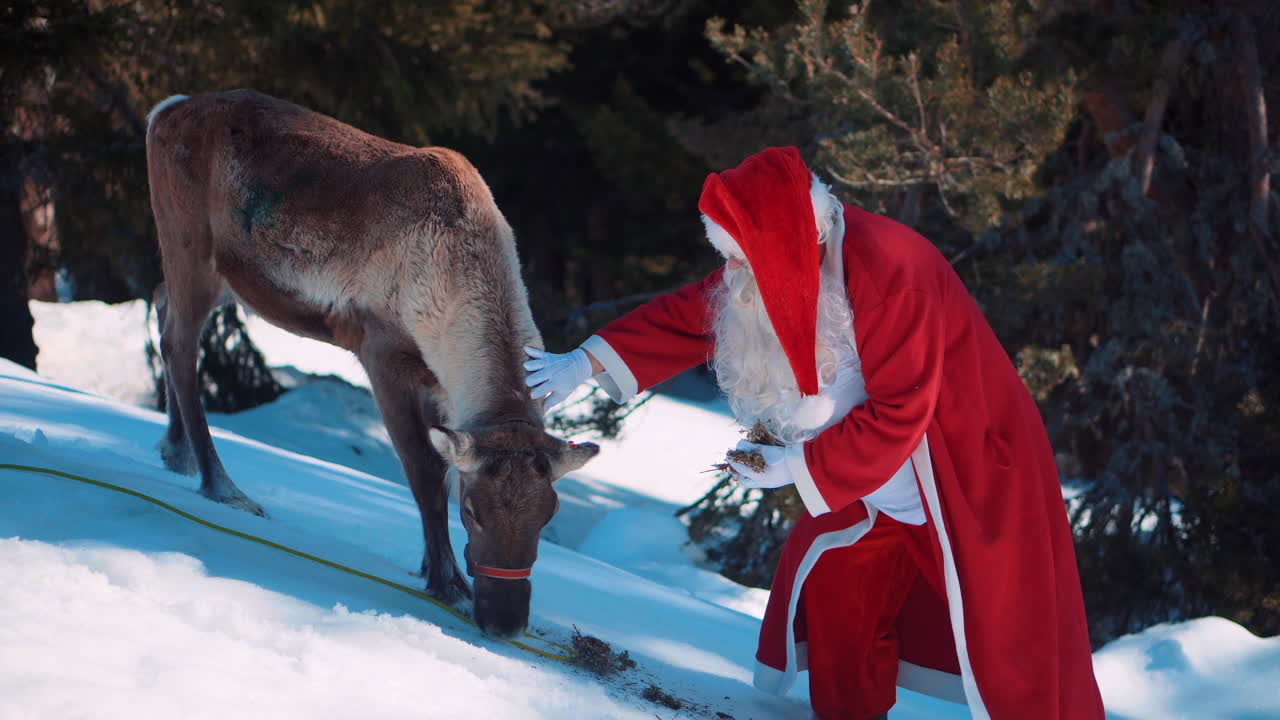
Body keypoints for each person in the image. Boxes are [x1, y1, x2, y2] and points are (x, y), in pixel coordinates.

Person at [524, 147, 1104, 720]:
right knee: (839, 599)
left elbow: (902, 408)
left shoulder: (893, 268)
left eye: (741, 256)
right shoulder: (780, 262)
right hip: (869, 481)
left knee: (1011, 640)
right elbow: (694, 313)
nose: (733, 271)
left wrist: (796, 466)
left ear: (777, 243)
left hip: (962, 472)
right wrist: (584, 363)